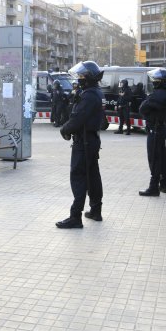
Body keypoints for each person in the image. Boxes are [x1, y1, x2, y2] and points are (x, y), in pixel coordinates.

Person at [56, 61, 105, 228]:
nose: (79, 79)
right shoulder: (93, 92)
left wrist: (64, 129)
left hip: (84, 142)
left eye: (82, 76)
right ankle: (96, 210)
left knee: (78, 177)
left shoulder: (89, 95)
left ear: (89, 77)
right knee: (92, 176)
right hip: (90, 140)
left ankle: (75, 216)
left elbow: (77, 118)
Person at [138, 68, 166, 196]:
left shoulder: (158, 94)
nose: (153, 82)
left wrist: (147, 102)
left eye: (155, 80)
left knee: (154, 159)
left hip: (155, 130)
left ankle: (154, 188)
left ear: (159, 81)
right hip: (161, 128)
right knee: (162, 158)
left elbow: (142, 109)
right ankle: (164, 184)